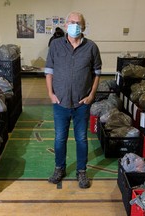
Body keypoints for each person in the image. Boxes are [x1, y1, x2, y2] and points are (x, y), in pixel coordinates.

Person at [45, 11, 102, 188]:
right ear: (65, 25)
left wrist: (91, 95)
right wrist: (51, 94)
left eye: (78, 22)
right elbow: (49, 71)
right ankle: (59, 168)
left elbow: (97, 73)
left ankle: (81, 171)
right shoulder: (55, 45)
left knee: (81, 139)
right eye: (71, 22)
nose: (74, 25)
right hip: (60, 103)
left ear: (83, 26)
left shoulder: (91, 47)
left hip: (81, 103)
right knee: (60, 138)